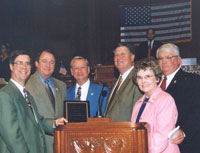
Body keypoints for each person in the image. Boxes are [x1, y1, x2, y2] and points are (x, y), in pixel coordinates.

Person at [0, 49, 67, 153]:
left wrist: (54, 123)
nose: (24, 67)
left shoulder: (27, 94)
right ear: (11, 66)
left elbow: (37, 121)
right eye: (19, 63)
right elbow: (12, 135)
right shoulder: (5, 94)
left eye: (27, 63)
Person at [157, 43, 200, 153]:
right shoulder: (153, 83)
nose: (164, 61)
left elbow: (197, 111)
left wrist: (185, 132)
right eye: (160, 58)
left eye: (168, 57)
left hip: (184, 144)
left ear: (178, 60)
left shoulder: (193, 81)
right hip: (158, 144)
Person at [131, 59, 180, 153]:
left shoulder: (165, 100)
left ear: (157, 79)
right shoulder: (138, 104)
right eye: (139, 77)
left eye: (147, 76)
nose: (143, 81)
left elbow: (161, 137)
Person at [26, 49, 66, 153]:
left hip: (61, 142)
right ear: (36, 63)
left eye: (52, 62)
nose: (48, 65)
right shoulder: (26, 85)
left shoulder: (62, 86)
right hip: (39, 144)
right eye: (44, 61)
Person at [104, 43, 143, 121]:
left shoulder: (137, 79)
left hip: (127, 131)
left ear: (132, 57)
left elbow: (139, 114)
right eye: (116, 55)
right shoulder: (116, 82)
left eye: (123, 54)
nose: (119, 58)